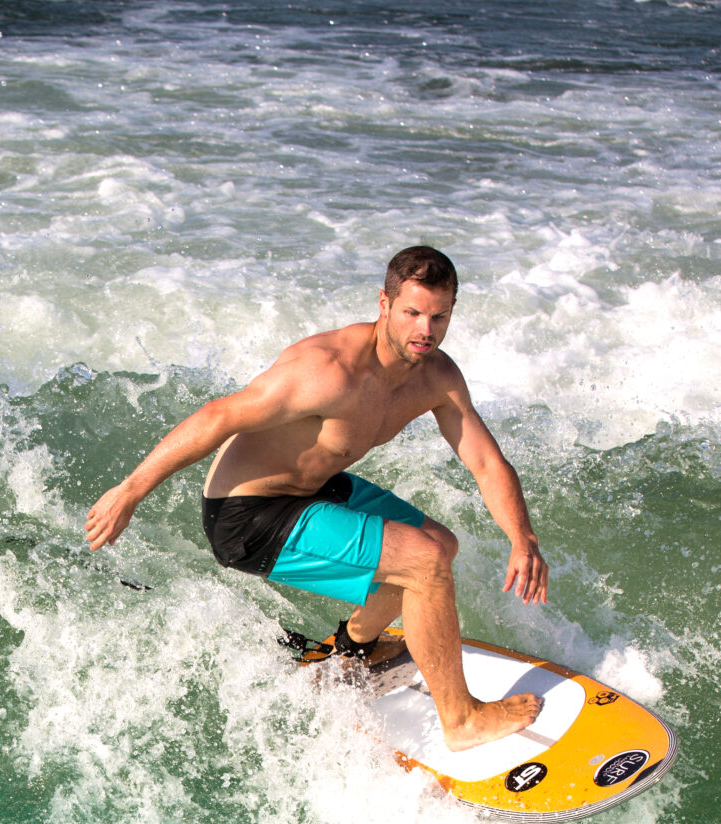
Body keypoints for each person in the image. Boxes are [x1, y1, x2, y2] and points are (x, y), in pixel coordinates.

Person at [83, 246, 546, 751]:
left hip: (312, 487)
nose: (425, 331)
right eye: (412, 313)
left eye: (439, 317)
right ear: (384, 304)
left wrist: (521, 537)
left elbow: (486, 462)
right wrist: (129, 491)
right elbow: (218, 417)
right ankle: (461, 720)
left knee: (440, 544)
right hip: (249, 513)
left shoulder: (436, 376)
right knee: (425, 562)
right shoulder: (327, 371)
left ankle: (353, 649)